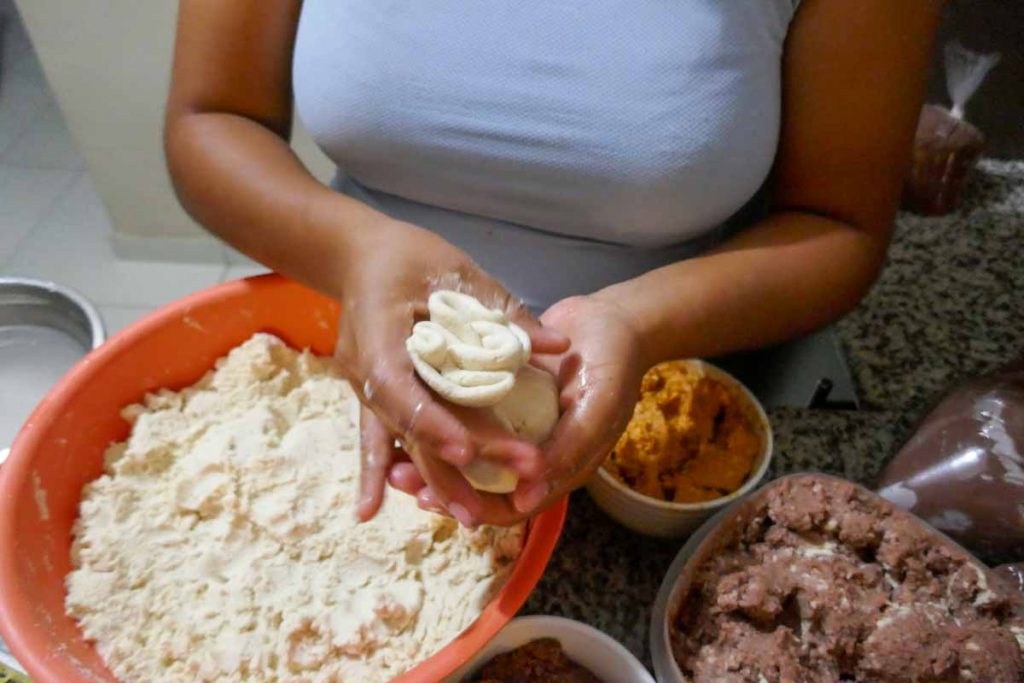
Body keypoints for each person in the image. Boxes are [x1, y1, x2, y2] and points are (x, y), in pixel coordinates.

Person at [165, 0, 942, 528]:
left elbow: (838, 225)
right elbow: (211, 120)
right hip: (349, 362)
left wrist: (638, 323)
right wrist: (357, 249)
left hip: (679, 402)